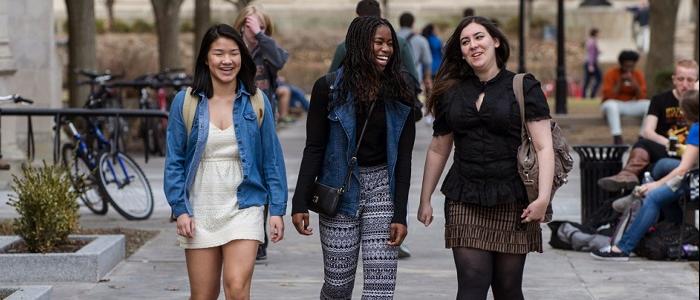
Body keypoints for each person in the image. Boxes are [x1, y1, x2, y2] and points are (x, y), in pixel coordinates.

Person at [418, 16, 555, 300]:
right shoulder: (451, 92)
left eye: (479, 37)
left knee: (507, 289)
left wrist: (543, 198)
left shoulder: (523, 86)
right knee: (471, 284)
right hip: (464, 196)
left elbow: (544, 147)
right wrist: (425, 198)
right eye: (465, 42)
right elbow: (438, 148)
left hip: (513, 199)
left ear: (495, 41)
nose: (473, 45)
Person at [291, 16, 416, 299]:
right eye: (378, 42)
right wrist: (299, 201)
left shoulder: (401, 92)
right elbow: (314, 147)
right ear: (360, 45)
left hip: (382, 189)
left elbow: (404, 158)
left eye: (390, 44)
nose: (386, 49)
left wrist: (400, 214)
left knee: (380, 290)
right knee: (338, 287)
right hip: (339, 190)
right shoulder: (329, 88)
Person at [163, 24, 287, 299]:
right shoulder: (185, 102)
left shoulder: (257, 101)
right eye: (219, 53)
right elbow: (174, 160)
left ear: (242, 57)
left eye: (234, 53)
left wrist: (276, 209)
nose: (227, 60)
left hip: (245, 205)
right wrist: (180, 208)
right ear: (206, 58)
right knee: (203, 295)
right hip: (200, 207)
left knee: (236, 288)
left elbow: (272, 160)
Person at [328, 0, 417, 259]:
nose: (385, 48)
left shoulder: (344, 47)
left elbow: (332, 77)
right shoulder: (401, 43)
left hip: (386, 119)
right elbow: (411, 74)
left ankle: (386, 234)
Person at [592, 89, 699, 261]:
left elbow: (683, 169)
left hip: (695, 181)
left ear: (689, 111)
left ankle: (622, 248)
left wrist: (656, 186)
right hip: (693, 174)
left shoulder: (696, 129)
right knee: (662, 166)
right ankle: (650, 190)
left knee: (653, 197)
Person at [233, 5, 288, 260]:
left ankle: (258, 236)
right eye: (252, 26)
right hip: (234, 119)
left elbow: (280, 59)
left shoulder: (267, 52)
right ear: (241, 25)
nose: (255, 32)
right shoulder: (231, 51)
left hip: (263, 121)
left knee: (264, 176)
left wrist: (262, 36)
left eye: (262, 27)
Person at [598, 59, 697, 192]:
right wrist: (668, 143)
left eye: (690, 80)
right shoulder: (659, 100)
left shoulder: (697, 102)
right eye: (680, 79)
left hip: (692, 154)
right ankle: (627, 176)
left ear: (696, 81)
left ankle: (630, 193)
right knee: (643, 143)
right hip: (666, 150)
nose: (684, 85)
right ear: (674, 79)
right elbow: (647, 131)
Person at [601, 50, 649, 144]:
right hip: (614, 104)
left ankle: (642, 137)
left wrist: (634, 83)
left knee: (650, 105)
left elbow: (642, 97)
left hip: (630, 104)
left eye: (631, 66)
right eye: (626, 66)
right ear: (621, 64)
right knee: (611, 105)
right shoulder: (611, 73)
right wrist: (620, 82)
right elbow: (608, 96)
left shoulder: (638, 75)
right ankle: (617, 137)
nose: (629, 69)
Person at [398, 12, 433, 94]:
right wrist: (427, 79)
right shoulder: (421, 40)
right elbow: (427, 62)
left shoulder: (391, 36)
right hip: (414, 78)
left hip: (394, 77)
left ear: (400, 23)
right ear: (413, 23)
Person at [582, 28, 602, 99]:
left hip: (590, 63)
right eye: (598, 33)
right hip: (591, 63)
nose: (599, 35)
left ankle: (585, 95)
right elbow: (591, 54)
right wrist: (591, 65)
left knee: (587, 80)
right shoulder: (592, 42)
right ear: (595, 33)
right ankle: (591, 95)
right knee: (599, 78)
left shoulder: (591, 41)